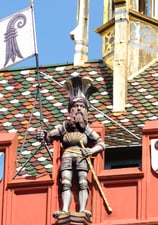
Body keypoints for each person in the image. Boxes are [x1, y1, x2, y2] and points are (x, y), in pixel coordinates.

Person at [37, 76, 105, 218]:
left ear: (86, 110)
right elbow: (49, 136)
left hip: (82, 155)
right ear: (71, 109)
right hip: (67, 155)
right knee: (66, 182)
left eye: (81, 106)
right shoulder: (65, 127)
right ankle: (65, 209)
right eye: (75, 106)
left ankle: (82, 209)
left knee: (82, 182)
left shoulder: (86, 129)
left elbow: (101, 143)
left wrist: (91, 150)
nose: (79, 109)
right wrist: (42, 135)